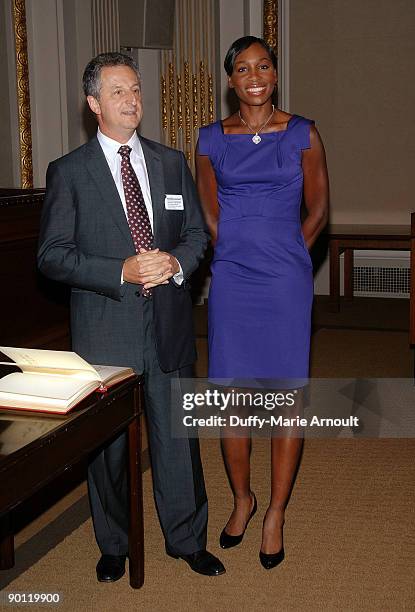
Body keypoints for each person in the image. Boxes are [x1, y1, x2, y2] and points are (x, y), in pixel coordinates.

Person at [38, 52, 225, 581]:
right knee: (109, 452)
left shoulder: (169, 163)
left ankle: (187, 540)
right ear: (94, 103)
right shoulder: (69, 173)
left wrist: (176, 263)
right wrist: (119, 269)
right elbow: (52, 256)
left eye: (136, 89)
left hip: (166, 321)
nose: (132, 100)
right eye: (119, 91)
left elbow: (196, 235)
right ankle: (114, 544)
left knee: (177, 439)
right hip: (105, 327)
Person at [195, 36, 329, 569]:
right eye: (243, 68)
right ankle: (242, 500)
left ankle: (275, 511)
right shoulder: (209, 138)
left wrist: (292, 257)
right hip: (231, 279)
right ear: (230, 81)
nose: (255, 75)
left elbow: (318, 209)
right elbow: (209, 214)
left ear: (275, 73)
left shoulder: (303, 132)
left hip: (286, 281)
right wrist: (234, 253)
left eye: (264, 65)